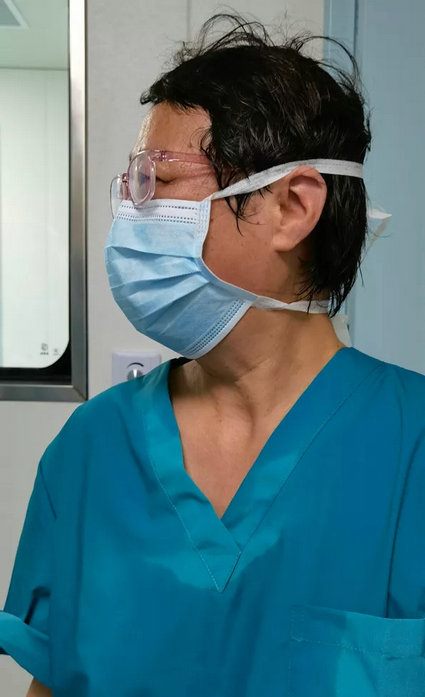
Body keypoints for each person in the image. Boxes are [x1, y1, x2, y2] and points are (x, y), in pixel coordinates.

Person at [2, 12, 425, 697]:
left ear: (291, 206)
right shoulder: (92, 448)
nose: (130, 212)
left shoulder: (411, 447)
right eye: (130, 183)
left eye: (158, 181)